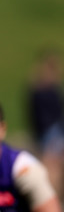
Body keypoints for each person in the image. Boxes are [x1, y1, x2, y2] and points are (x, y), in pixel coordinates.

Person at [28, 47, 64, 200]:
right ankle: (52, 198)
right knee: (52, 167)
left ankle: (51, 198)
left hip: (48, 131)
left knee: (52, 166)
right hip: (51, 131)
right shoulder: (45, 87)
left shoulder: (38, 85)